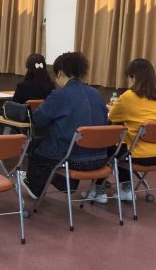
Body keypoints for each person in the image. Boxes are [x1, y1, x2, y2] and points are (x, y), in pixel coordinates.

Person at [21, 52, 108, 200]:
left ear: (59, 73)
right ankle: (65, 185)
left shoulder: (60, 95)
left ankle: (34, 187)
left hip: (73, 159)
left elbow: (39, 119)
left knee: (38, 148)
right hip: (100, 159)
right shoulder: (97, 94)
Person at [106, 59, 156, 201]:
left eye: (129, 77)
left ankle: (101, 186)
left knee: (109, 145)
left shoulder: (129, 96)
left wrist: (110, 108)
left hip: (138, 155)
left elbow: (113, 117)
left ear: (134, 77)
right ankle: (123, 187)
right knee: (125, 143)